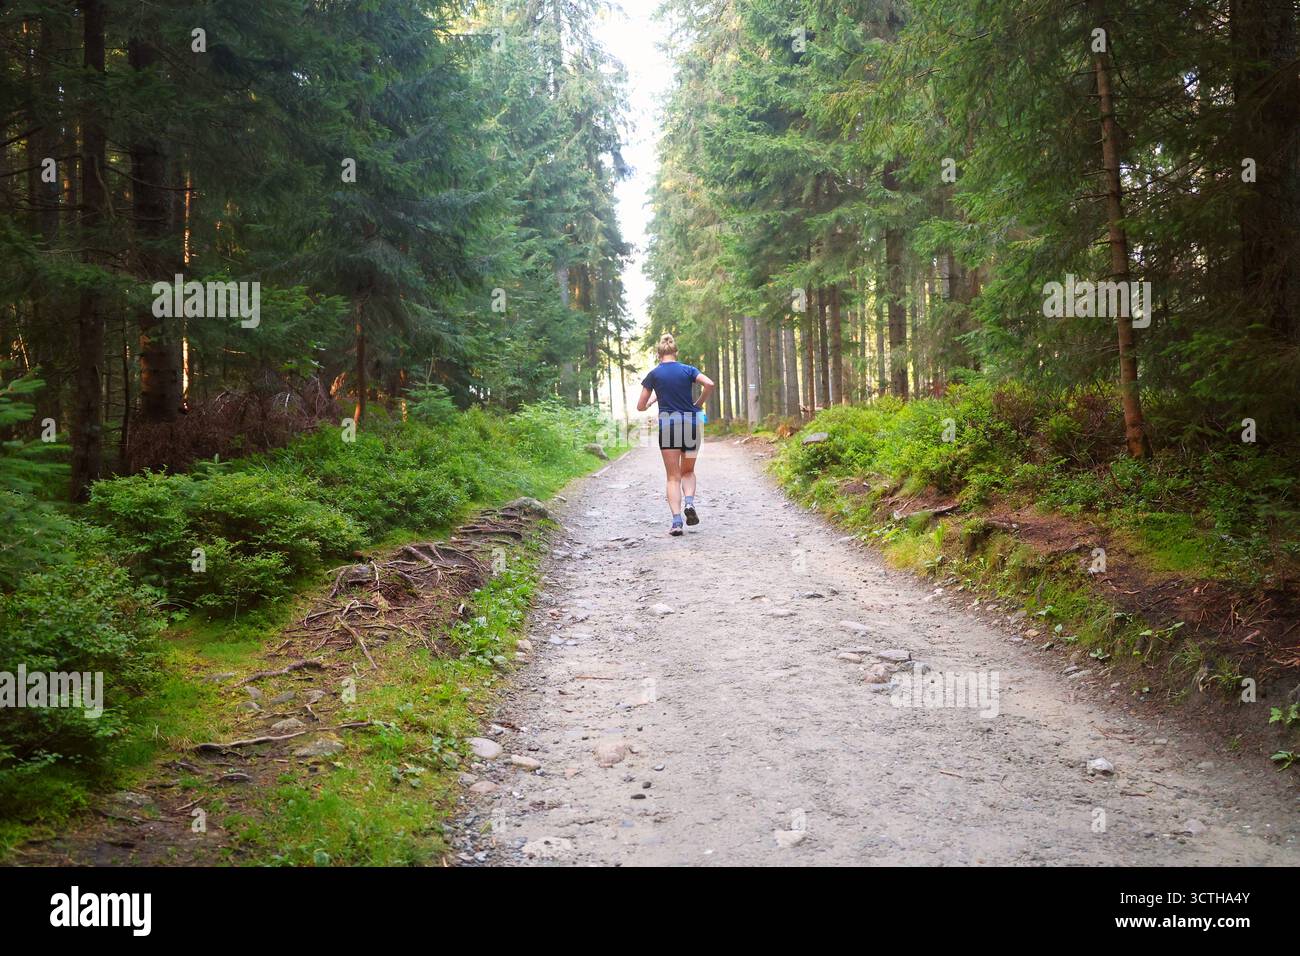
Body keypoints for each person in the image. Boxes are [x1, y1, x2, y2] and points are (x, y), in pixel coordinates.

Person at [637, 333, 715, 536]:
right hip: (690, 424)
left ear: (658, 354)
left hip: (668, 426)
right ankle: (689, 503)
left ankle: (677, 521)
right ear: (676, 352)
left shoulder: (654, 374)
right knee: (688, 471)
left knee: (673, 477)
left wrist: (654, 400)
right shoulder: (688, 370)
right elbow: (710, 384)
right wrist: (698, 404)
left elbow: (640, 406)